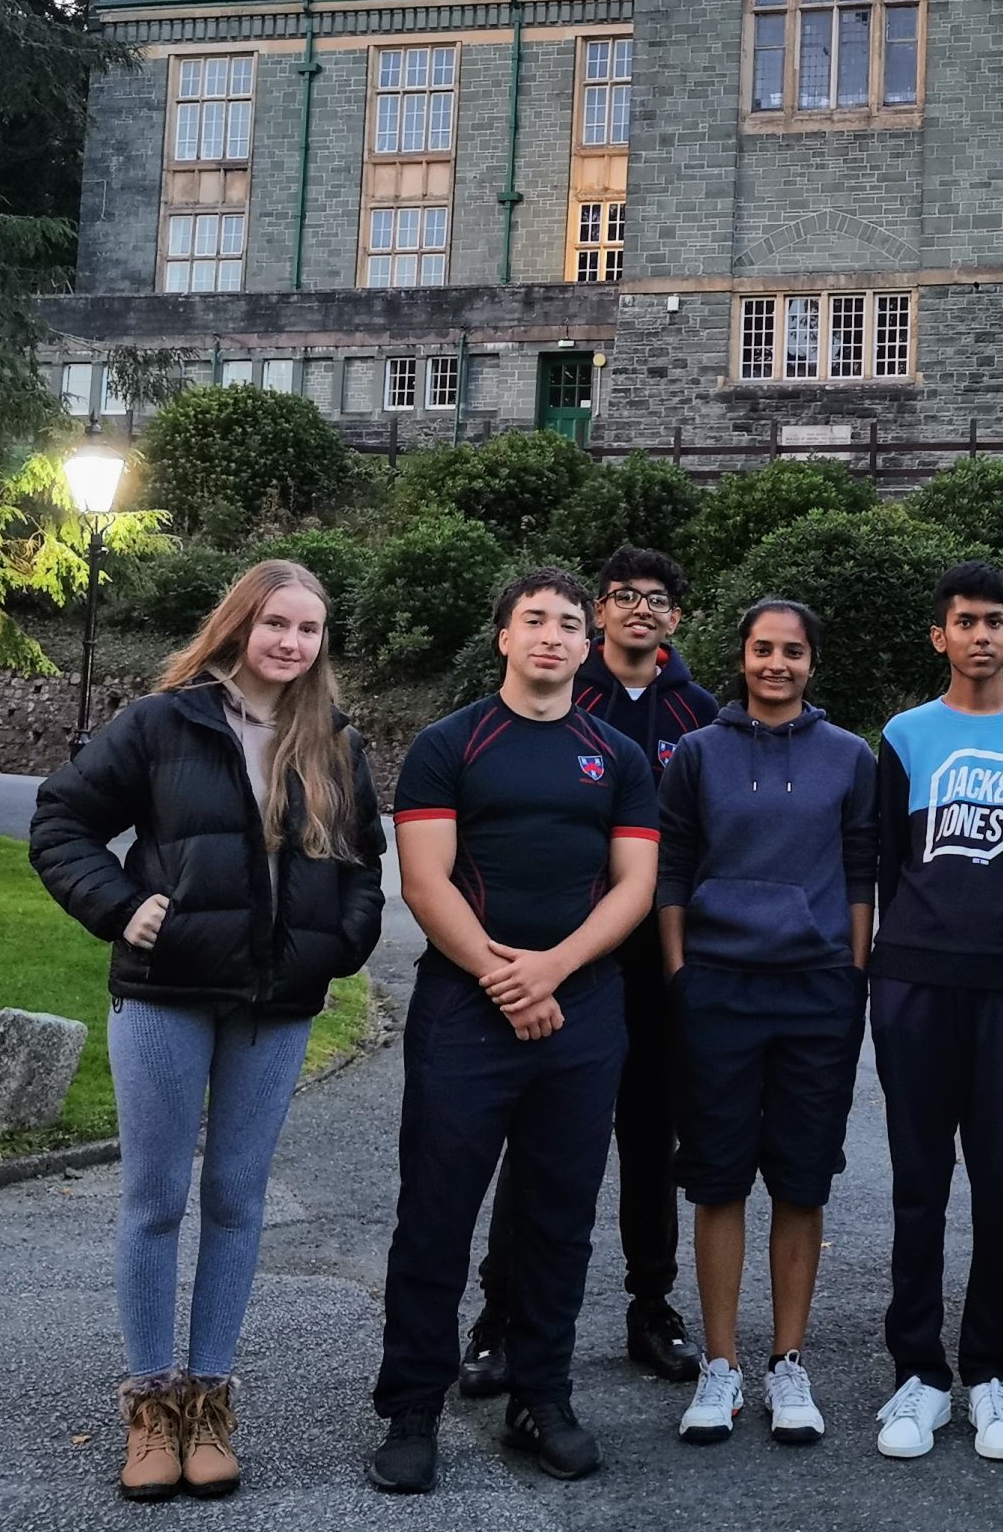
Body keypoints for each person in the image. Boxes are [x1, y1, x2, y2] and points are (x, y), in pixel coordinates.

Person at [31, 560, 385, 1503]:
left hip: (274, 1007)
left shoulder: (335, 744)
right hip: (165, 993)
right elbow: (63, 819)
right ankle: (151, 1408)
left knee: (236, 1200)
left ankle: (211, 1401)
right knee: (154, 1199)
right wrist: (117, 905)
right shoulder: (163, 722)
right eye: (277, 623)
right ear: (239, 625)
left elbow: (360, 870)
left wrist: (336, 951)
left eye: (310, 630)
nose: (292, 643)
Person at [366, 569, 661, 1495]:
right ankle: (412, 1406)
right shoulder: (449, 743)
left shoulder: (616, 755)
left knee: (558, 1214)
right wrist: (506, 976)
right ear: (503, 637)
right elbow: (424, 881)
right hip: (465, 1008)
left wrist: (553, 971)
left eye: (569, 624)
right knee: (437, 1215)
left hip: (584, 1005)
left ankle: (542, 1394)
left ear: (587, 645)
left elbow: (636, 888)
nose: (551, 635)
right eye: (533, 620)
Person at [458, 546, 716, 1400]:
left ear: (677, 618)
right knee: (534, 1149)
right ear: (597, 614)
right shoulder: (565, 695)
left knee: (651, 1141)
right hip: (555, 964)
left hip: (653, 964)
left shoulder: (700, 713)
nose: (640, 610)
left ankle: (651, 1305)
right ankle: (499, 1317)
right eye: (623, 597)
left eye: (659, 598)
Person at [870, 561, 1003, 1464]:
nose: (982, 635)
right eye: (966, 621)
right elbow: (882, 866)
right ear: (940, 636)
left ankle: (992, 1371)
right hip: (914, 979)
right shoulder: (905, 736)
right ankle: (918, 1373)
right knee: (918, 1185)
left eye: (997, 621)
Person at [659, 599, 876, 1449]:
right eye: (761, 649)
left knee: (801, 1176)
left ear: (812, 662)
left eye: (791, 651)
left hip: (817, 990)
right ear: (742, 658)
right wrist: (680, 971)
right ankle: (721, 1366)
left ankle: (789, 1362)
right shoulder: (699, 755)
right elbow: (673, 864)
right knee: (717, 1176)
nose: (776, 663)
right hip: (718, 987)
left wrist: (852, 969)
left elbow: (863, 864)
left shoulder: (850, 756)